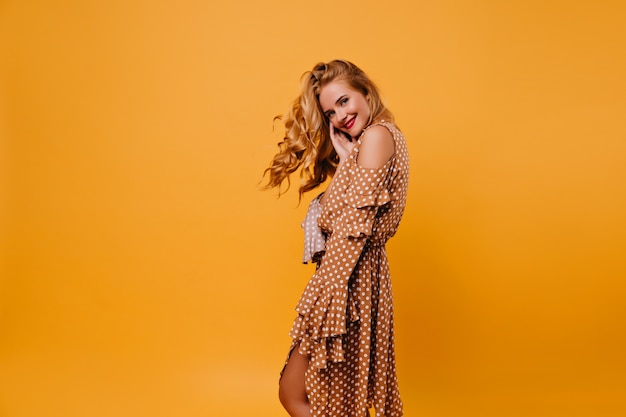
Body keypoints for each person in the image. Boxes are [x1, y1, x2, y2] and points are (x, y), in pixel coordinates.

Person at [263, 59, 409, 417]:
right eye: (330, 112)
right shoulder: (372, 143)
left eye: (344, 101)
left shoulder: (376, 136)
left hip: (348, 283)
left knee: (299, 393)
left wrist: (325, 298)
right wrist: (346, 163)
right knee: (329, 399)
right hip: (353, 280)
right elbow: (350, 213)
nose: (339, 117)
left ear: (366, 92)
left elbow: (350, 231)